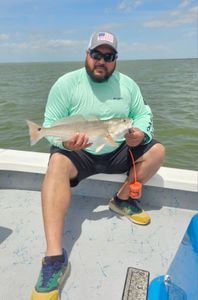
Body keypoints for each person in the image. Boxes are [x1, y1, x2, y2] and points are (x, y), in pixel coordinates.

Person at [31, 31, 165, 295]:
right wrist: (65, 144)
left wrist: (140, 134)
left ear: (115, 60)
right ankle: (54, 258)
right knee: (56, 164)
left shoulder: (127, 85)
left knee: (157, 150)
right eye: (96, 54)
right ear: (86, 54)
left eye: (108, 56)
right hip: (79, 152)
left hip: (116, 148)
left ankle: (122, 199)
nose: (101, 61)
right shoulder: (65, 84)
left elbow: (142, 114)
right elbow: (49, 126)